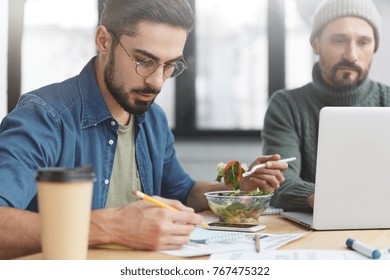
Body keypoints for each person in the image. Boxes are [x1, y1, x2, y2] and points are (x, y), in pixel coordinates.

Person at [0, 0, 288, 259]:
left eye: (169, 66)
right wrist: (113, 227)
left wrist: (237, 185)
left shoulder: (153, 119)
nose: (157, 82)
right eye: (144, 61)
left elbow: (182, 191)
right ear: (103, 41)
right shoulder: (45, 117)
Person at [262, 0, 390, 212]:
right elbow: (279, 183)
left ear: (374, 47)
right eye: (339, 40)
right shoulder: (286, 106)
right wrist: (332, 201)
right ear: (316, 44)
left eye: (363, 42)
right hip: (312, 226)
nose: (351, 55)